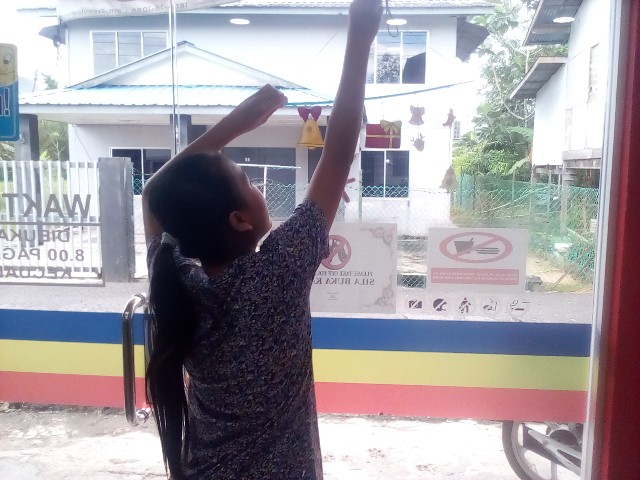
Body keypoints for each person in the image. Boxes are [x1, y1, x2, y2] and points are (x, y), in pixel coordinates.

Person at [142, 0, 382, 478]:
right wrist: (360, 37)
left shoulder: (178, 277)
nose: (256, 184)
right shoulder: (276, 273)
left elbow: (154, 193)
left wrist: (232, 127)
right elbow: (339, 151)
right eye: (246, 180)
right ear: (238, 220)